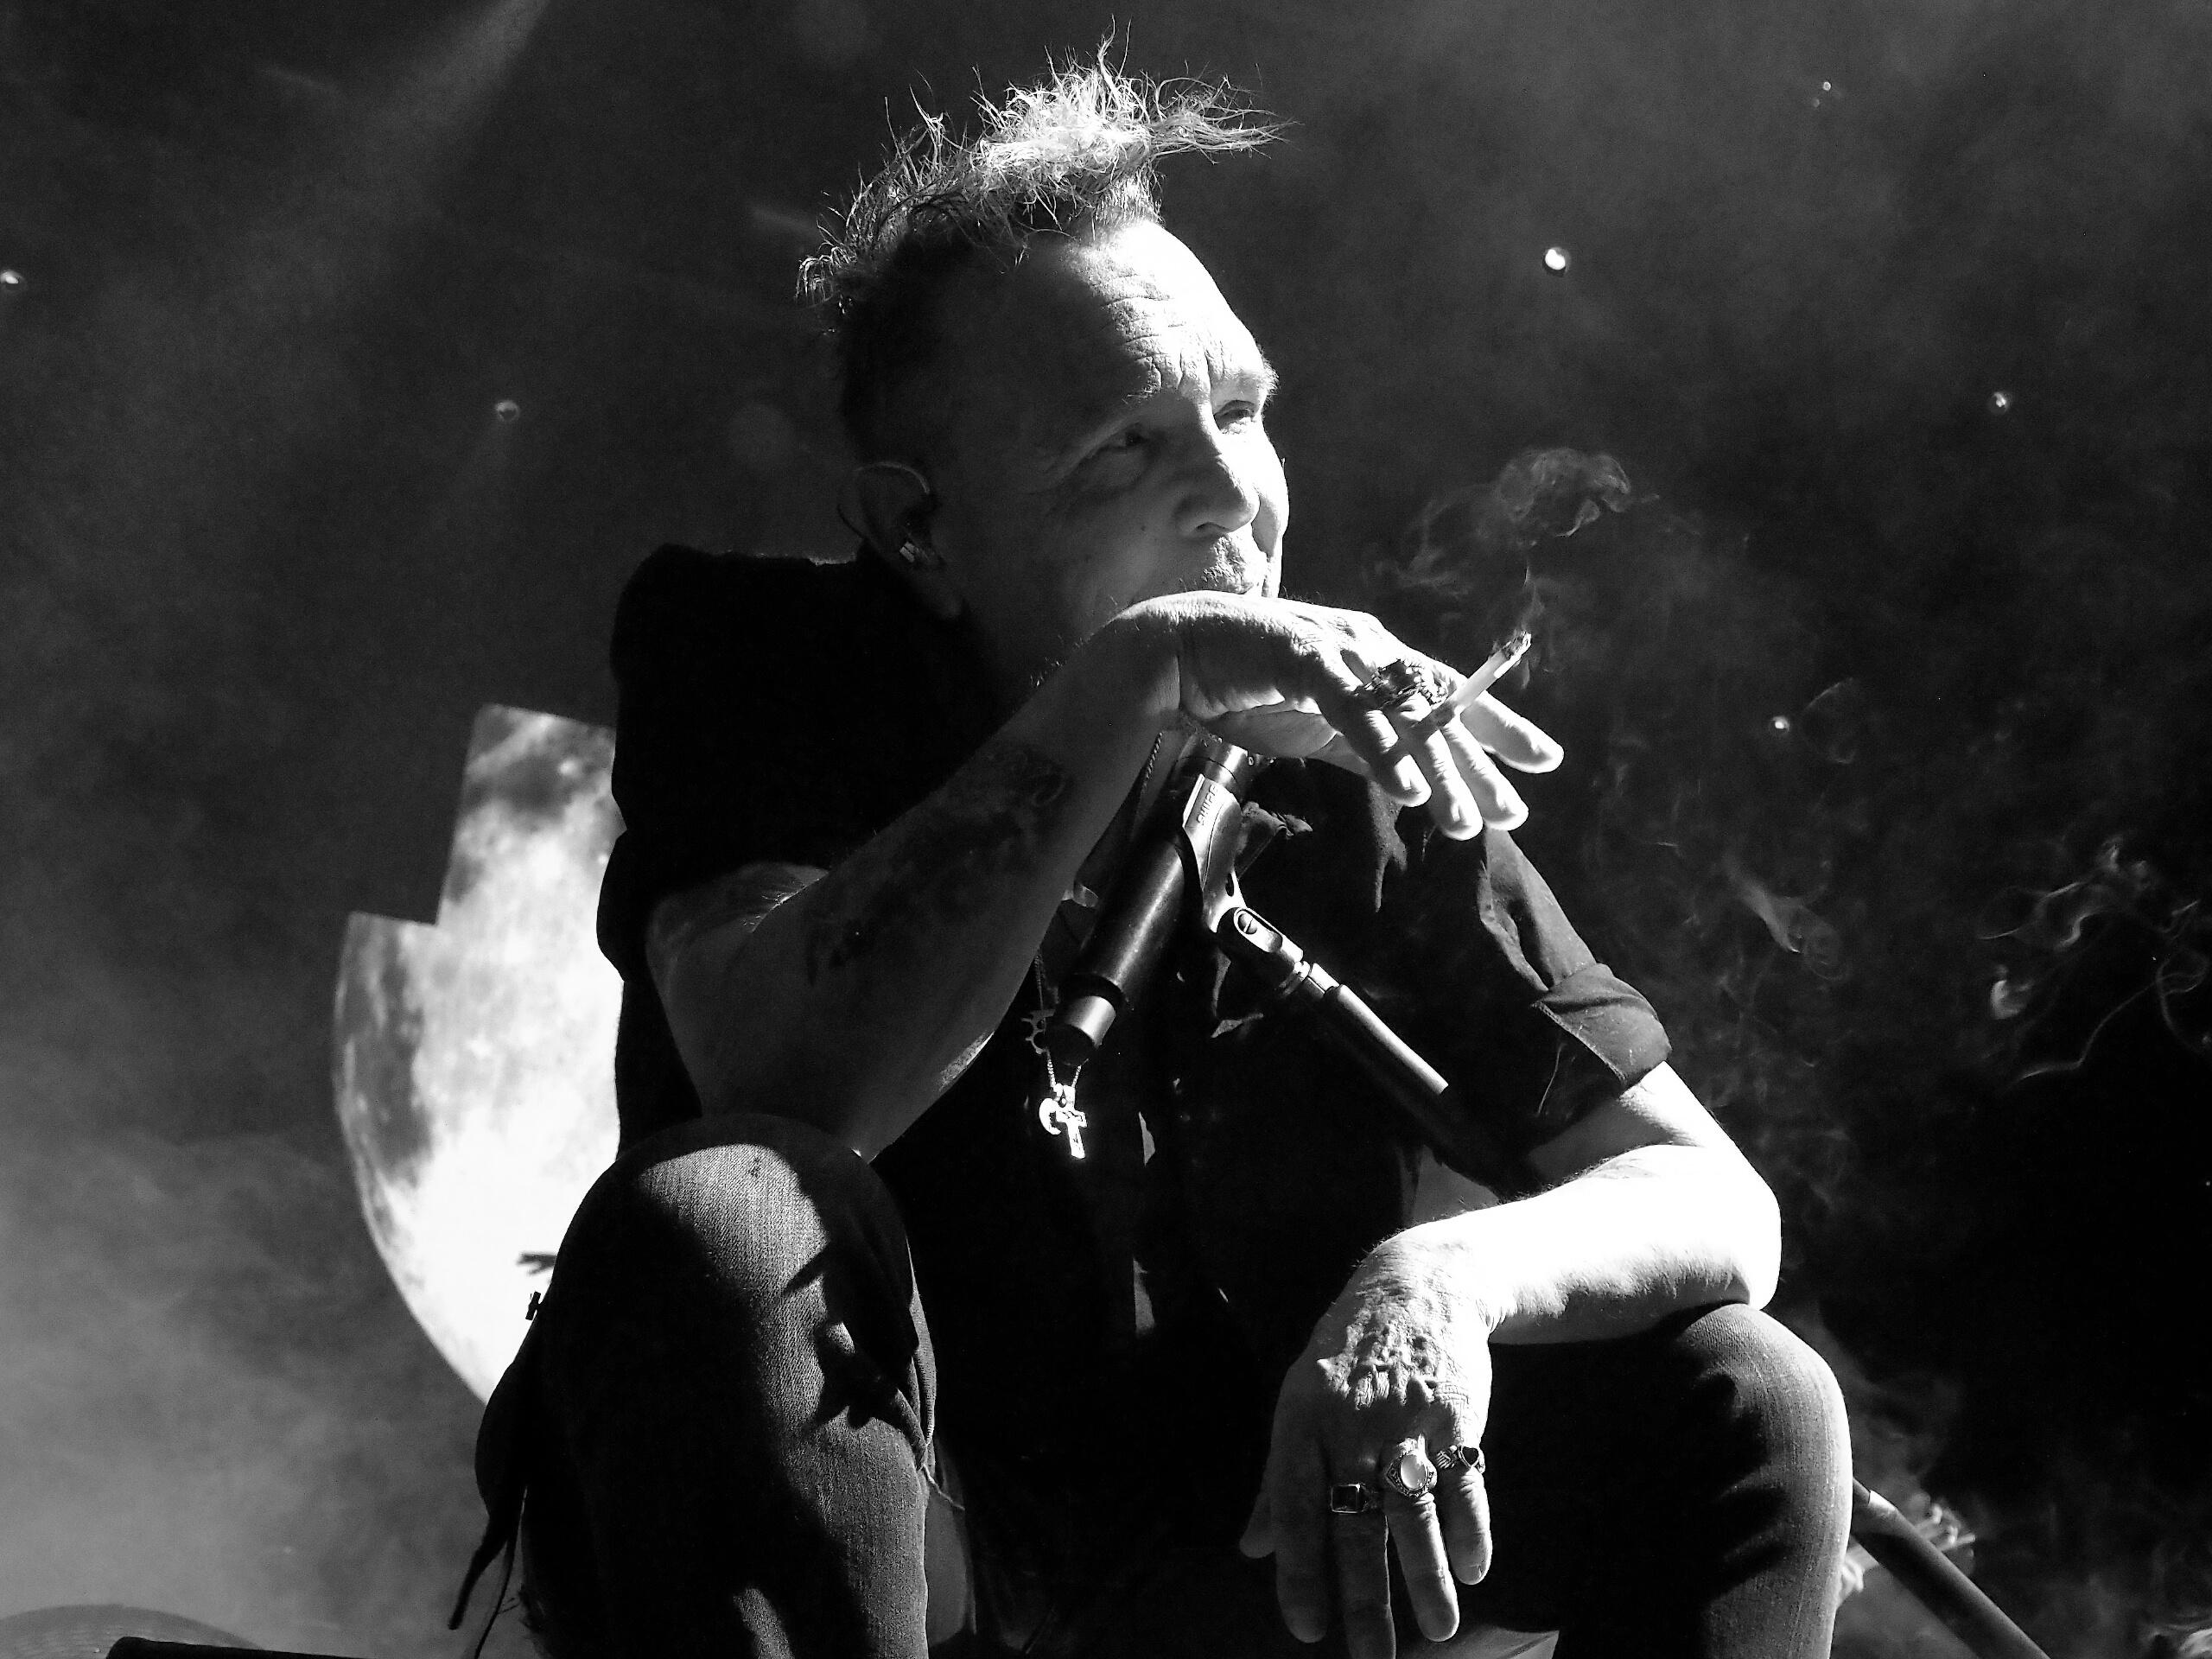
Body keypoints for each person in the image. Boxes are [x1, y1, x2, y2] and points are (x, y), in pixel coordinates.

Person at [457, 61, 1852, 1659]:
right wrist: (1137, 675)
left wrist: (1446, 1280)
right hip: (896, 1527)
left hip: (1236, 1553)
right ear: (917, 528)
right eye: (1122, 450)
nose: (1233, 496)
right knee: (724, 1217)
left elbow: (1705, 1193)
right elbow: (784, 1086)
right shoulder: (761, 652)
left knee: (1747, 1395)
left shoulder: (1348, 768)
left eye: (1242, 414)